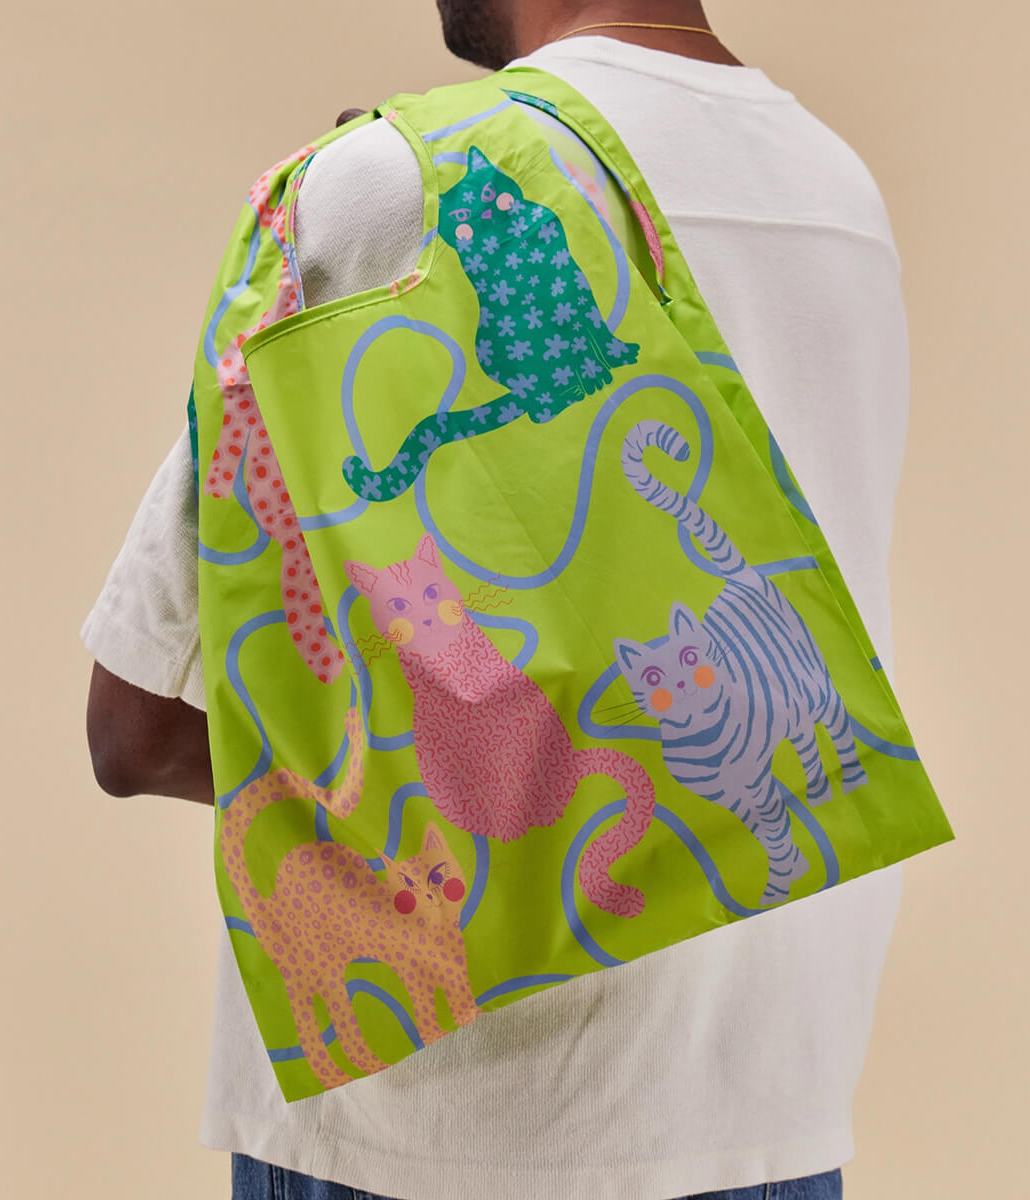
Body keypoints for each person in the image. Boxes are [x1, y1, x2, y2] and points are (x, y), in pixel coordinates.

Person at [84, 2, 911, 1197]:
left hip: (439, 1129)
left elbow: (135, 730)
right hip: (772, 1104)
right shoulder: (838, 193)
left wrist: (354, 202)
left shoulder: (389, 184)